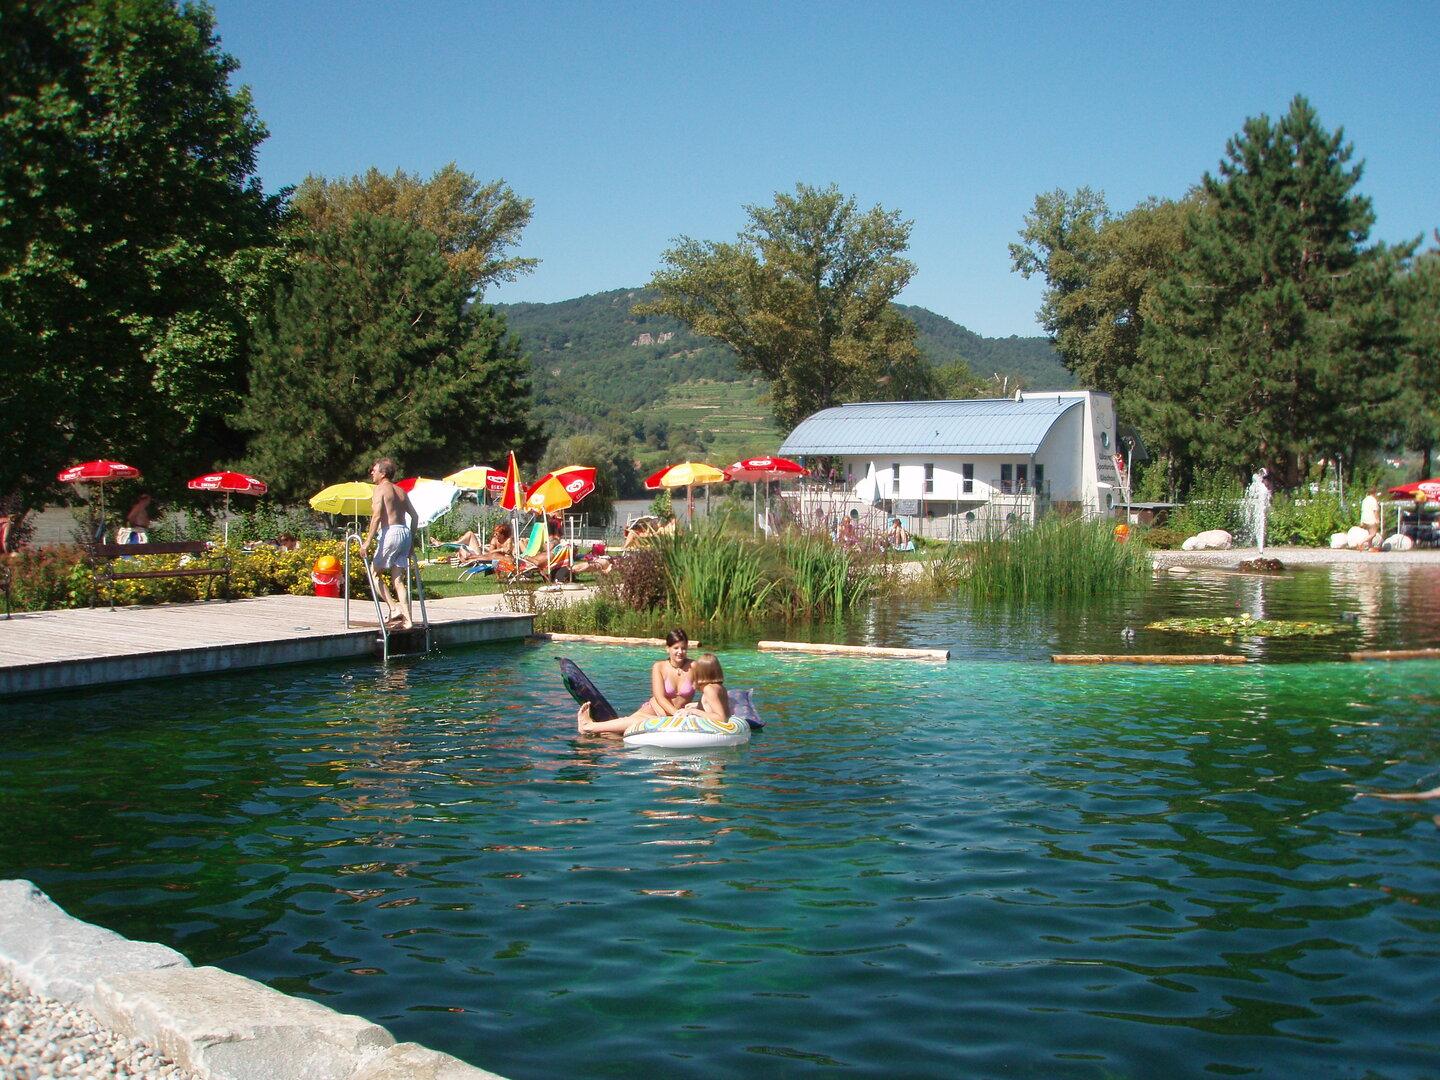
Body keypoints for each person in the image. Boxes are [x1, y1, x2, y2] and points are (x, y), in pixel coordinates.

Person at [578, 651, 730, 737]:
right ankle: (599, 732)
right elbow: (717, 710)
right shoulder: (719, 688)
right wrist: (696, 706)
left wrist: (693, 711)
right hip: (698, 729)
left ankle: (590, 727)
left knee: (637, 721)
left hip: (700, 732)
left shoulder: (709, 689)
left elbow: (721, 718)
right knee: (627, 728)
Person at [363, 457, 420, 629]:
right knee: (398, 580)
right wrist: (411, 541)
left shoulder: (380, 490)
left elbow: (377, 516)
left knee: (373, 573)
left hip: (391, 532)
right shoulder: (400, 490)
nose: (371, 473)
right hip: (404, 532)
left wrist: (366, 542)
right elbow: (415, 516)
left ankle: (394, 609)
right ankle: (408, 620)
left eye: (374, 470)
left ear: (383, 473)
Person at [1361, 486, 1382, 550]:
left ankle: (1370, 547)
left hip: (1364, 518)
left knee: (1370, 533)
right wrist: (1377, 519)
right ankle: (1360, 542)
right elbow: (1375, 511)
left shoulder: (1365, 500)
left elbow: (1362, 510)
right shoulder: (1373, 500)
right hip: (1371, 518)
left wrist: (1361, 520)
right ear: (1374, 493)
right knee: (1373, 534)